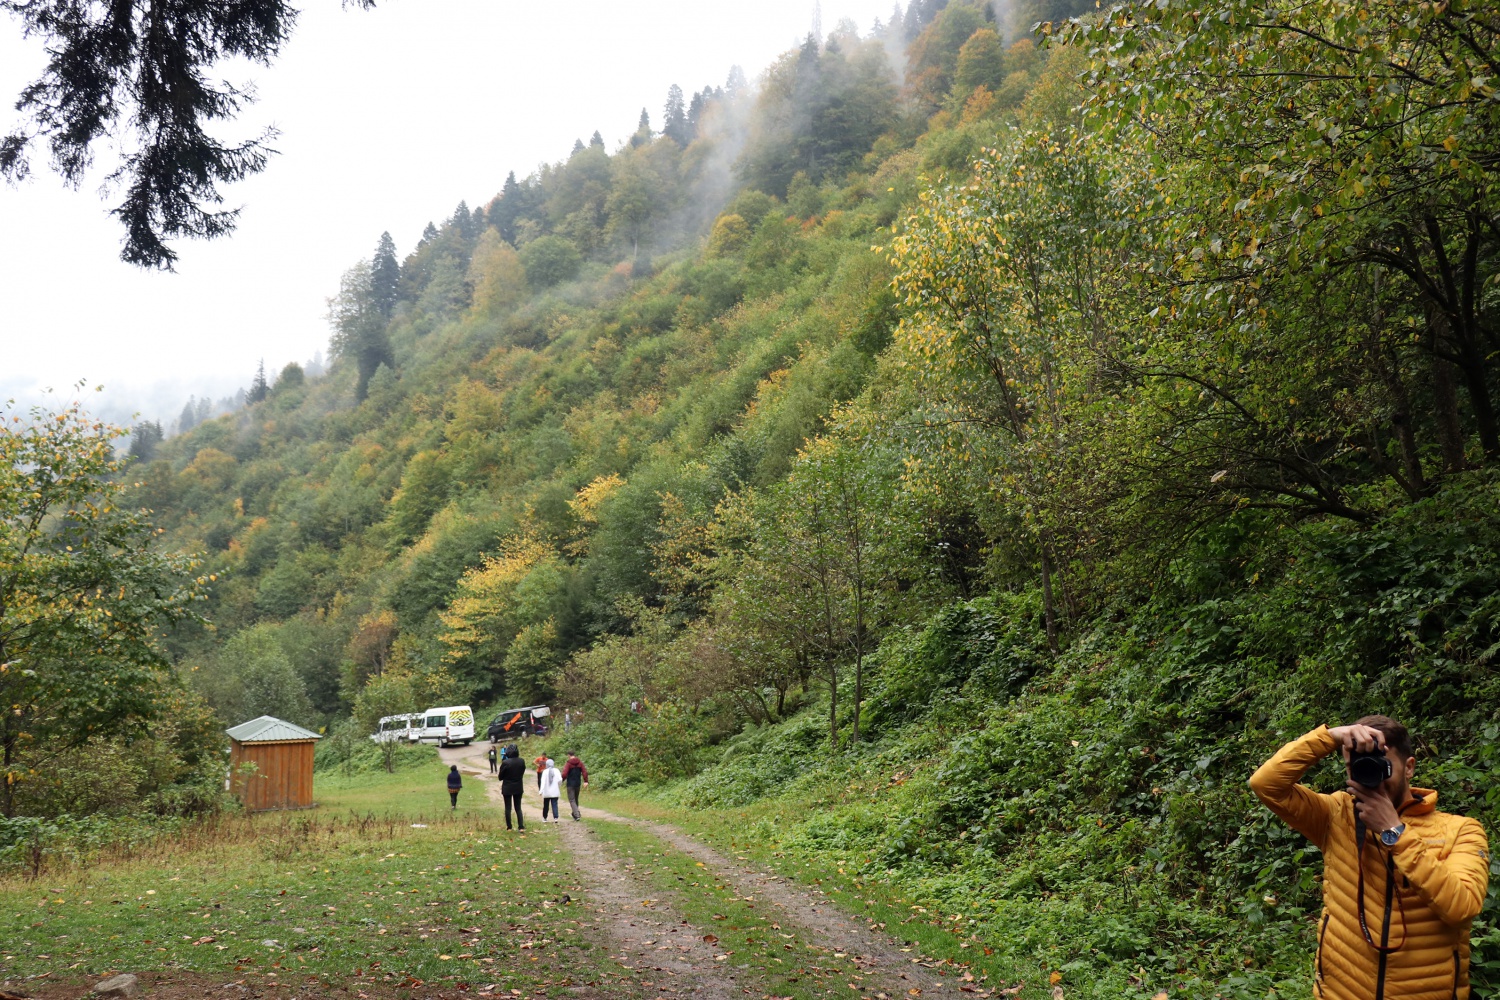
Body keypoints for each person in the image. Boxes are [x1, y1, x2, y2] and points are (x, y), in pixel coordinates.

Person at [1249, 716, 1489, 1000]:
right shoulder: (1336, 815)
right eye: (1357, 766)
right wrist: (1331, 736)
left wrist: (1395, 832)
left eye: (1382, 766)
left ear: (1409, 767)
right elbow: (1265, 784)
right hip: (1341, 992)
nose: (1371, 776)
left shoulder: (1461, 830)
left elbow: (1461, 907)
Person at [497, 745, 527, 831]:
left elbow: (500, 777)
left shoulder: (506, 763)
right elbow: (522, 772)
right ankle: (521, 826)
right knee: (518, 807)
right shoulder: (522, 761)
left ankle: (509, 826)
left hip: (507, 787)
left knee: (508, 807)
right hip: (518, 786)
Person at [562, 752, 589, 821]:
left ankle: (577, 815)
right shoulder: (580, 763)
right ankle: (575, 814)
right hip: (578, 783)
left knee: (572, 799)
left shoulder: (568, 763)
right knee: (576, 799)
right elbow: (584, 772)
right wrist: (586, 781)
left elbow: (565, 773)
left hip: (570, 784)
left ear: (568, 755)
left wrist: (561, 780)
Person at [539, 758, 562, 822]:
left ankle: (544, 817)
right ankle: (556, 817)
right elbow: (560, 780)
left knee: (546, 805)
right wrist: (558, 786)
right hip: (555, 791)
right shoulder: (557, 770)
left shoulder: (545, 771)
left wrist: (541, 791)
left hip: (547, 791)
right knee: (554, 804)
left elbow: (543, 782)